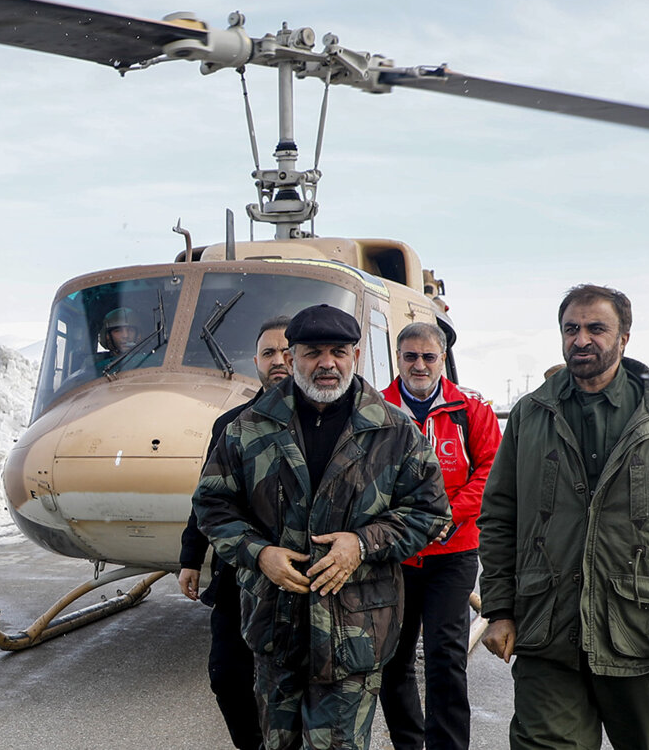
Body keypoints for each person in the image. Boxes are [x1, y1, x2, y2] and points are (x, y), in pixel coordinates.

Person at [477, 284, 649, 750]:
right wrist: (499, 609)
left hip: (642, 636)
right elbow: (500, 515)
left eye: (596, 328)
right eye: (571, 329)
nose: (582, 340)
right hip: (548, 632)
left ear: (624, 338)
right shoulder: (531, 415)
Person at [193, 304, 451, 750]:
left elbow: (431, 512)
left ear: (355, 355)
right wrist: (259, 553)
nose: (327, 363)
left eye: (339, 351)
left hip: (356, 631)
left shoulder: (393, 430)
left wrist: (363, 543)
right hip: (277, 627)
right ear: (292, 359)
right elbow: (212, 506)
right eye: (314, 352)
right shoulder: (248, 429)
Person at [379, 322, 501, 750]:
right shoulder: (377, 408)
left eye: (429, 356)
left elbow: (492, 470)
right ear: (398, 358)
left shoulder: (471, 408)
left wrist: (450, 513)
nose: (420, 365)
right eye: (410, 356)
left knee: (445, 658)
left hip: (453, 552)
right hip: (395, 555)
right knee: (392, 662)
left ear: (443, 358)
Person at [178, 315, 292, 750]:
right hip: (238, 574)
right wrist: (191, 557)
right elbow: (209, 496)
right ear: (256, 361)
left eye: (286, 351)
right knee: (227, 676)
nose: (278, 360)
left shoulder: (321, 421)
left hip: (299, 578)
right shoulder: (231, 423)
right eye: (268, 353)